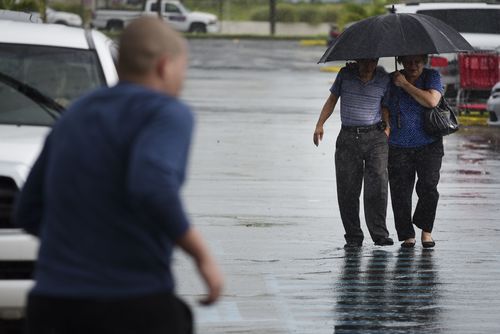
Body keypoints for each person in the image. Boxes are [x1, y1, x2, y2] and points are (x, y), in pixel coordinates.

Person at [14, 17, 223, 334]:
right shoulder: (166, 111)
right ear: (165, 66)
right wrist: (202, 257)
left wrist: (81, 248)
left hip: (52, 305)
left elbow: (27, 210)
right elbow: (152, 185)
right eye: (184, 69)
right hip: (131, 304)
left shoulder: (75, 114)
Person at [313, 59, 394, 248]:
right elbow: (332, 99)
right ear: (357, 59)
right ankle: (353, 236)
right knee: (348, 189)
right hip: (348, 137)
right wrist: (319, 124)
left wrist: (387, 127)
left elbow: (385, 105)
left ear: (377, 60)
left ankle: (380, 234)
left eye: (372, 60)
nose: (368, 64)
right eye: (364, 61)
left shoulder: (383, 78)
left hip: (375, 136)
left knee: (378, 186)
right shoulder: (345, 74)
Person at [385, 54, 444, 248]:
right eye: (408, 61)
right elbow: (383, 105)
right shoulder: (391, 79)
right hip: (398, 144)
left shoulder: (432, 76)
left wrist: (405, 85)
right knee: (400, 192)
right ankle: (406, 234)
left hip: (429, 142)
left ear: (424, 61)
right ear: (401, 61)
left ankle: (426, 231)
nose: (413, 66)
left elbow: (432, 101)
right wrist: (386, 124)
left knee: (429, 186)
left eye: (417, 61)